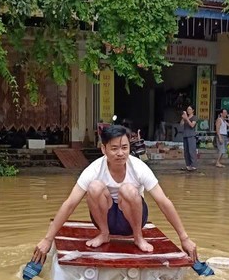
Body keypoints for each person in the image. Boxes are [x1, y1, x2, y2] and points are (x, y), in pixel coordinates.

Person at [32, 124, 198, 264]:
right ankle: (104, 234)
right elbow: (70, 204)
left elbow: (163, 201)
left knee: (127, 189)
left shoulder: (139, 168)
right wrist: (47, 239)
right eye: (114, 148)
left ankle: (138, 237)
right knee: (95, 187)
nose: (120, 153)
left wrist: (184, 238)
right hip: (107, 219)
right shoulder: (94, 169)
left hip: (133, 219)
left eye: (124, 148)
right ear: (103, 149)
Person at [180, 105, 198, 171]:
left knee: (191, 151)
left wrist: (187, 118)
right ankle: (188, 165)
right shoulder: (185, 117)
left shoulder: (194, 117)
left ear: (193, 110)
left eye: (190, 109)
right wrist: (183, 118)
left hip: (191, 135)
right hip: (185, 135)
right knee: (186, 151)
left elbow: (192, 125)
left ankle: (193, 165)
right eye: (187, 109)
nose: (188, 111)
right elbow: (181, 124)